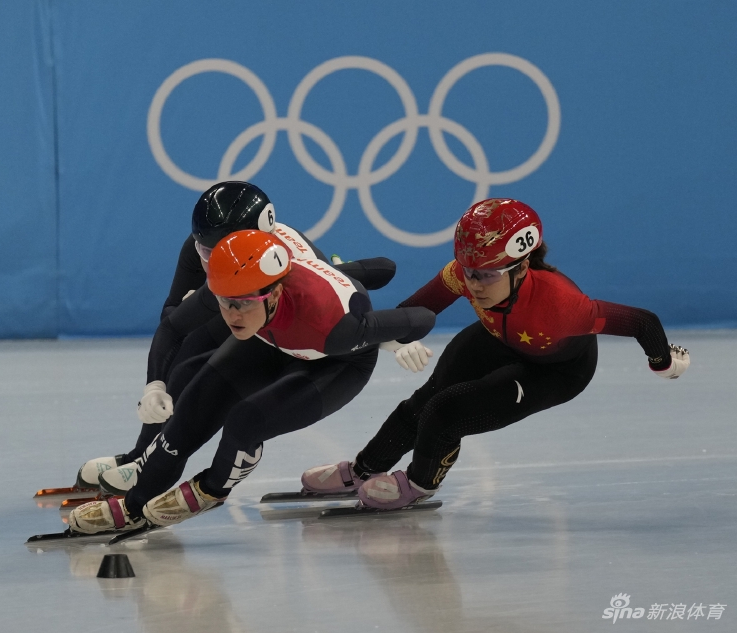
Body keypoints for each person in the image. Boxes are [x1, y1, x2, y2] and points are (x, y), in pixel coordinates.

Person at [301, 198, 691, 510]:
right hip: (498, 339)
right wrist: (397, 337)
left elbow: (643, 321)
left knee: (445, 411)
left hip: (557, 371)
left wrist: (665, 363)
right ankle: (362, 470)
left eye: (486, 275)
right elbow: (415, 309)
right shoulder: (463, 272)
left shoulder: (564, 307)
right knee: (423, 401)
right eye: (469, 272)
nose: (474, 283)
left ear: (521, 268)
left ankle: (417, 485)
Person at [66, 229, 436, 533]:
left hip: (335, 361)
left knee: (246, 421)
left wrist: (394, 338)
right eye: (225, 303)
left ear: (273, 293)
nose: (231, 314)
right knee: (191, 410)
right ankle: (133, 505)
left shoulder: (333, 327)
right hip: (271, 339)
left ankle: (210, 489)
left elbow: (421, 316)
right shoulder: (229, 289)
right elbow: (173, 328)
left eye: (242, 303)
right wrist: (155, 386)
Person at [74, 181, 398, 493]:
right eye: (208, 249)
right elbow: (172, 319)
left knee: (200, 366)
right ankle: (142, 457)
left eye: (228, 250)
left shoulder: (291, 261)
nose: (216, 259)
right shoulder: (196, 247)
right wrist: (157, 381)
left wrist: (383, 334)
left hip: (288, 337)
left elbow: (343, 301)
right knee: (187, 352)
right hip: (246, 314)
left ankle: (154, 461)